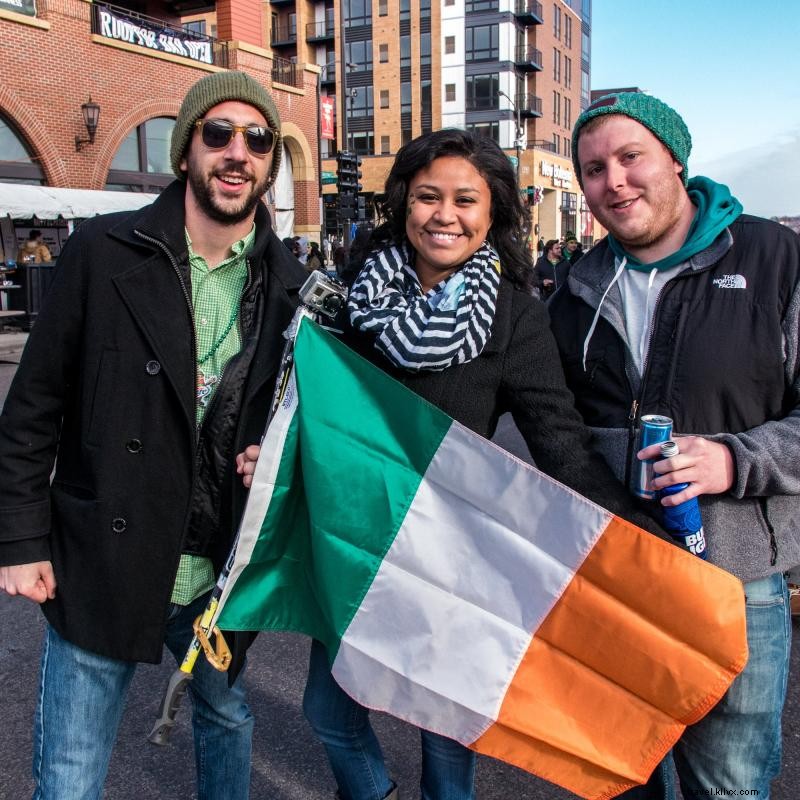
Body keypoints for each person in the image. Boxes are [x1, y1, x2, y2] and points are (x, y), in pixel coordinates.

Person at [237, 128, 666, 800]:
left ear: (491, 213)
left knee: (446, 741)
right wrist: (275, 453)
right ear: (404, 203)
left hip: (451, 563)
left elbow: (559, 442)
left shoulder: (513, 318)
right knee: (330, 711)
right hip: (355, 548)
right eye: (428, 196)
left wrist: (636, 534)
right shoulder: (352, 296)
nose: (445, 214)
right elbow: (310, 406)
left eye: (465, 200)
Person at [0, 70, 307, 799]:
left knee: (227, 717)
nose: (239, 152)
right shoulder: (102, 253)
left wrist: (278, 455)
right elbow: (33, 407)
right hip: (103, 555)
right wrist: (19, 541)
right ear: (186, 152)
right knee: (70, 774)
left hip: (216, 567)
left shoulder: (291, 284)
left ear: (268, 164)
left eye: (258, 139)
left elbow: (304, 416)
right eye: (219, 134)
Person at [548, 91, 800, 799]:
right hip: (618, 574)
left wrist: (733, 460)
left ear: (676, 160)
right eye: (594, 169)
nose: (613, 182)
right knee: (624, 773)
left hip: (736, 583)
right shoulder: (576, 285)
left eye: (631, 158)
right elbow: (546, 413)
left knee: (728, 784)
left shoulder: (775, 257)